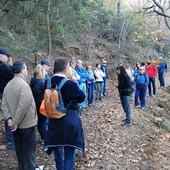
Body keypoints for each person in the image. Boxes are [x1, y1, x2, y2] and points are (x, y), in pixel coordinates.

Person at [44, 59, 85, 170]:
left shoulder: (47, 82)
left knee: (57, 149)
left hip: (53, 120)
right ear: (66, 69)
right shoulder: (70, 84)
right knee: (68, 154)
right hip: (69, 120)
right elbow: (82, 97)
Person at [1, 60, 38, 170]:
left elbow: (4, 104)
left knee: (20, 150)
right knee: (28, 151)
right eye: (26, 68)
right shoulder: (24, 85)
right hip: (26, 124)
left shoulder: (8, 85)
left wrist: (9, 120)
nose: (27, 70)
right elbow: (24, 105)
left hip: (14, 124)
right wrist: (15, 121)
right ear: (21, 70)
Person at [0, 48, 15, 149]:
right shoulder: (1, 66)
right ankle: (11, 142)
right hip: (3, 94)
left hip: (5, 93)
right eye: (7, 56)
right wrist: (11, 64)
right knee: (8, 115)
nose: (8, 58)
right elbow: (13, 74)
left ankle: (11, 140)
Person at [30, 64, 47, 144]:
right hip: (40, 106)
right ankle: (44, 138)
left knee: (40, 122)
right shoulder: (40, 83)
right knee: (42, 122)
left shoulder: (33, 80)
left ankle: (43, 137)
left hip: (35, 105)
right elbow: (39, 95)